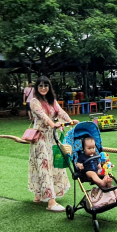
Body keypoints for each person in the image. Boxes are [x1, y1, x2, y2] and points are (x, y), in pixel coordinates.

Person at [27, 77, 72, 212]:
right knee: (43, 165)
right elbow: (44, 117)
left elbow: (60, 111)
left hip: (52, 138)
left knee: (54, 164)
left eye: (46, 85)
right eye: (40, 86)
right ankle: (51, 202)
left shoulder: (51, 100)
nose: (43, 88)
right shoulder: (34, 102)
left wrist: (70, 121)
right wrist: (54, 124)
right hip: (40, 138)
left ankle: (39, 196)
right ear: (36, 88)